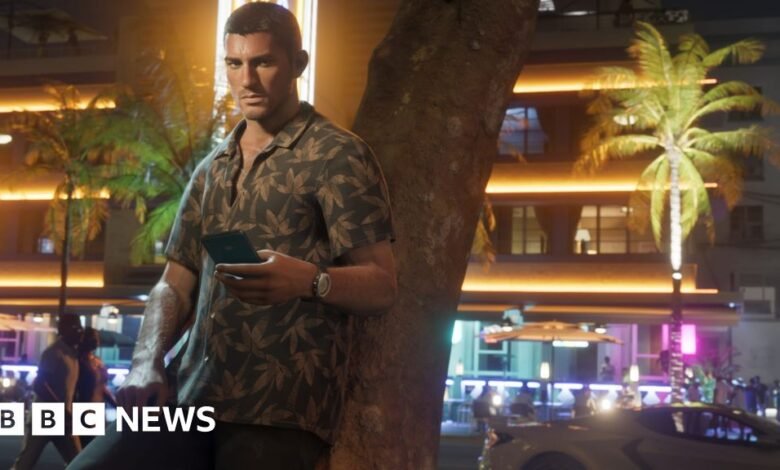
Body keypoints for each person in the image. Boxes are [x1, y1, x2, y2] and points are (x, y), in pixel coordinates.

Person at [68, 3, 396, 469]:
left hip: (278, 412)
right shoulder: (212, 168)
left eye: (263, 62)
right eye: (234, 63)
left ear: (297, 65)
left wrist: (310, 281)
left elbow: (382, 284)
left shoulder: (339, 155)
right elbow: (173, 281)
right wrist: (146, 359)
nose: (247, 80)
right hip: (186, 398)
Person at [13, 314, 83, 469]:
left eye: (80, 329)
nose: (80, 333)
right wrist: (61, 410)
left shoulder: (72, 353)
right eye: (76, 329)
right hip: (46, 415)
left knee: (79, 460)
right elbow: (39, 384)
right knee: (26, 462)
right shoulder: (54, 352)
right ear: (64, 330)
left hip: (61, 416)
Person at [76, 327, 117, 448]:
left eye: (97, 339)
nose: (96, 342)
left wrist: (117, 405)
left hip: (98, 410)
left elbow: (102, 387)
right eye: (93, 339)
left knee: (97, 448)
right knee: (85, 450)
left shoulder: (98, 361)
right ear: (84, 340)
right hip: (83, 409)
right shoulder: (77, 360)